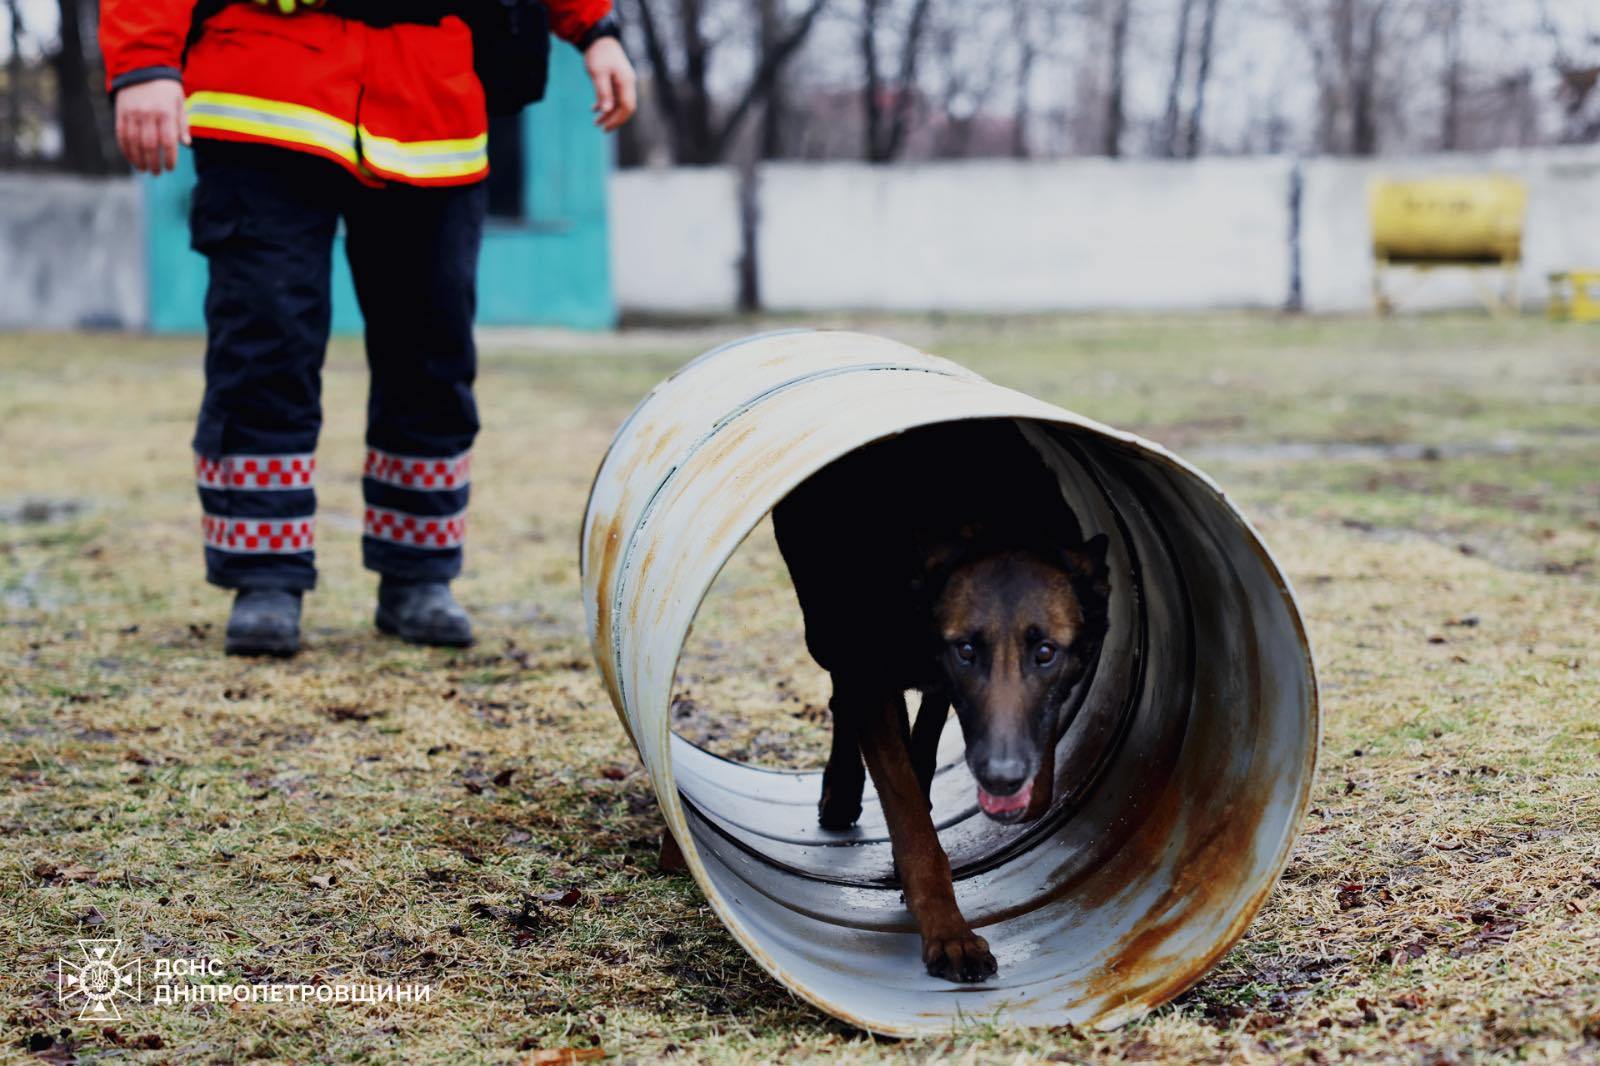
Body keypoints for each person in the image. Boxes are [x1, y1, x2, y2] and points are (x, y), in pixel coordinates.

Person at [99, 0, 634, 656]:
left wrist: (596, 29)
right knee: (266, 343)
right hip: (263, 88)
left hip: (430, 100)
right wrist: (144, 61)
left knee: (432, 353)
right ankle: (264, 574)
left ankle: (419, 573)